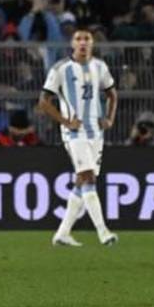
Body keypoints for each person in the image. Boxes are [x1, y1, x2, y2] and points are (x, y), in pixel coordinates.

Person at [36, 29, 119, 247]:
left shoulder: (100, 67)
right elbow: (43, 101)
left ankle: (63, 233)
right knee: (88, 177)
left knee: (82, 181)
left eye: (87, 39)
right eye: (78, 39)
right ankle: (103, 232)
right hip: (74, 133)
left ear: (92, 43)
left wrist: (109, 118)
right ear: (72, 44)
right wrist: (65, 122)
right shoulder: (61, 68)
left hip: (96, 132)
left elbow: (112, 94)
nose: (82, 42)